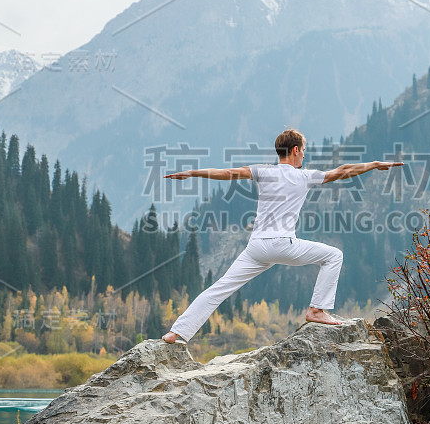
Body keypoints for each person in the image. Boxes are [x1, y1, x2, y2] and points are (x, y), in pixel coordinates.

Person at [161, 129, 403, 344]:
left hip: (256, 247)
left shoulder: (263, 172)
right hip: (282, 244)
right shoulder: (304, 176)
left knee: (219, 289)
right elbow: (344, 171)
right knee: (334, 256)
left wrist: (192, 172)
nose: (305, 156)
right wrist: (373, 164)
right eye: (304, 151)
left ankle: (177, 332)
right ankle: (317, 310)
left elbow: (227, 172)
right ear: (295, 150)